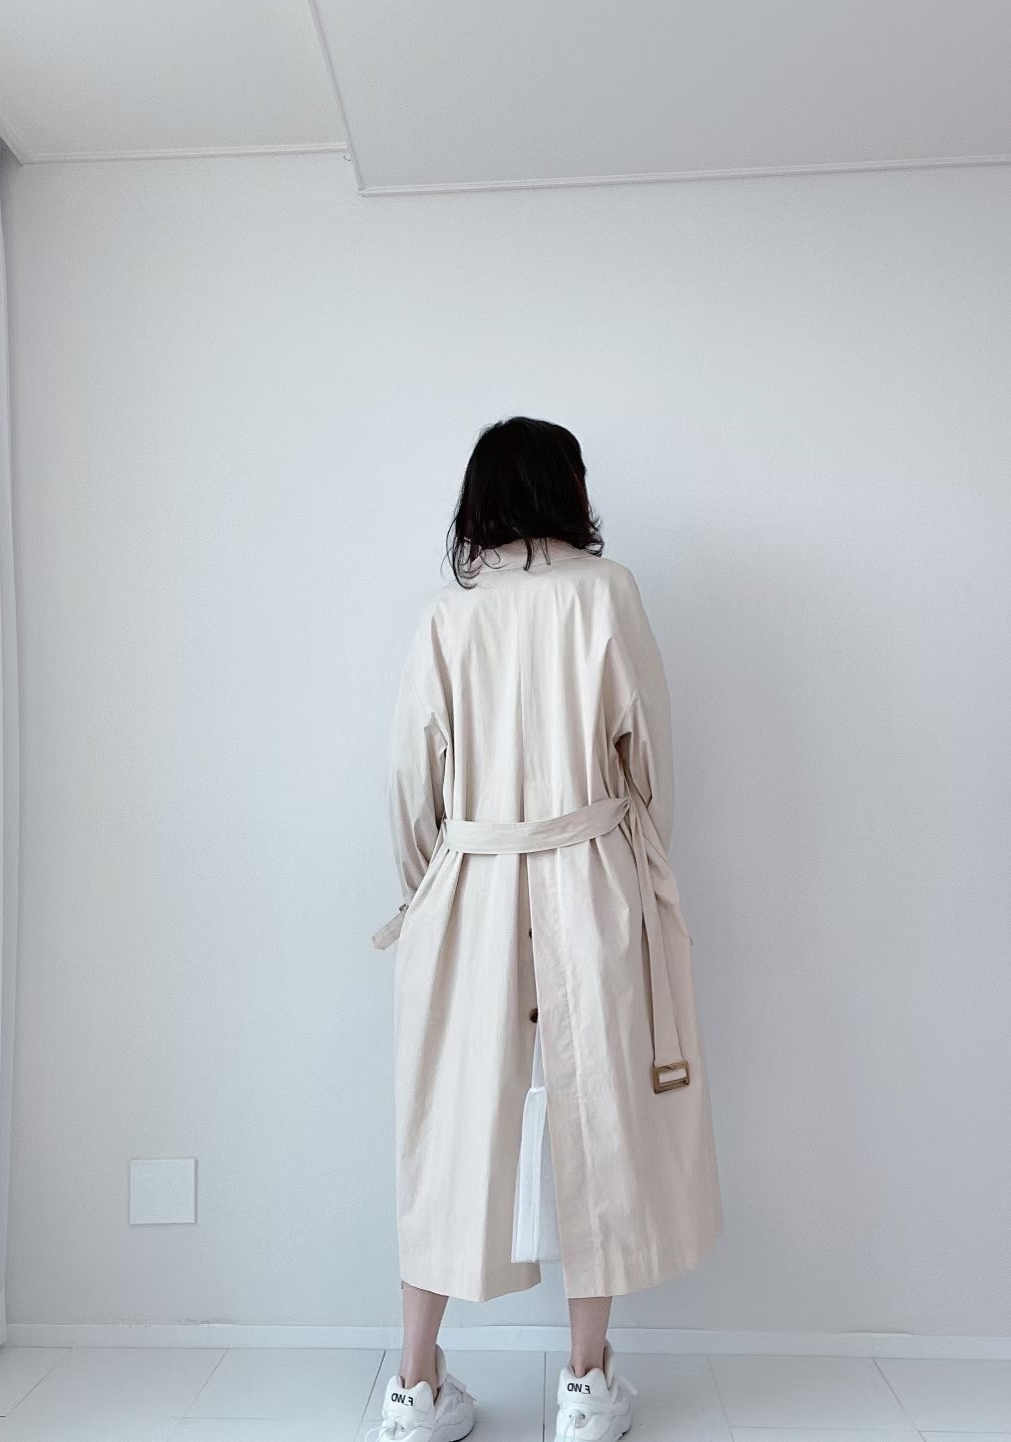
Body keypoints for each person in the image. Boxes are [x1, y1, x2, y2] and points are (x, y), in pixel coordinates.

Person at [369, 417, 723, 1442]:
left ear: (480, 495)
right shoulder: (607, 593)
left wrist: (436, 881)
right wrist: (636, 858)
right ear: (568, 488)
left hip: (470, 883)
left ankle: (415, 1386)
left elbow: (409, 781)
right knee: (600, 1121)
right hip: (592, 868)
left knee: (445, 1129)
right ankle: (584, 1382)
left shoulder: (449, 615)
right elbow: (650, 753)